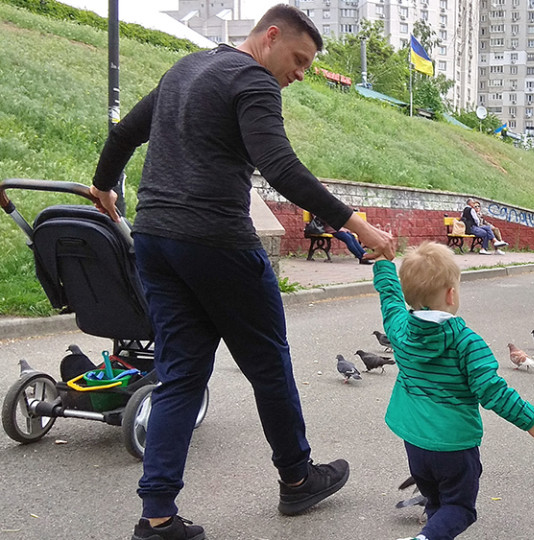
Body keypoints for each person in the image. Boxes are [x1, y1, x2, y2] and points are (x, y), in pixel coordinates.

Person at [89, 6, 395, 539]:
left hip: (157, 240)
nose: (300, 74)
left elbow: (124, 135)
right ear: (270, 36)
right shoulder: (254, 80)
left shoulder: (183, 69)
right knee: (269, 366)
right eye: (298, 60)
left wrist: (105, 185)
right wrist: (358, 225)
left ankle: (156, 516)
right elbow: (279, 166)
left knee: (180, 377)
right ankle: (297, 480)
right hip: (217, 244)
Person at [370, 242, 534, 540]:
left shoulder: (400, 328)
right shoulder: (468, 343)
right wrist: (529, 419)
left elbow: (389, 298)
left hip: (415, 443)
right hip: (454, 446)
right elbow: (492, 390)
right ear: (451, 293)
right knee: (459, 508)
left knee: (436, 503)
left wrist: (382, 264)